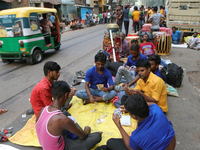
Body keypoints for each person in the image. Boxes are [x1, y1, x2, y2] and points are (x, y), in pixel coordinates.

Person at [36, 81, 102, 150]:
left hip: (49, 144)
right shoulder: (63, 119)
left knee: (65, 112)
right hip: (62, 147)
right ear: (65, 95)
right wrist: (86, 130)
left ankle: (77, 134)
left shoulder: (43, 109)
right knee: (97, 136)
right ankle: (79, 135)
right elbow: (83, 136)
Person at [106, 94, 176, 150]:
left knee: (110, 142)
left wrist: (119, 126)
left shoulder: (137, 136)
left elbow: (130, 147)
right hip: (172, 144)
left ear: (134, 116)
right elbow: (151, 104)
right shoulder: (156, 109)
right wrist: (131, 109)